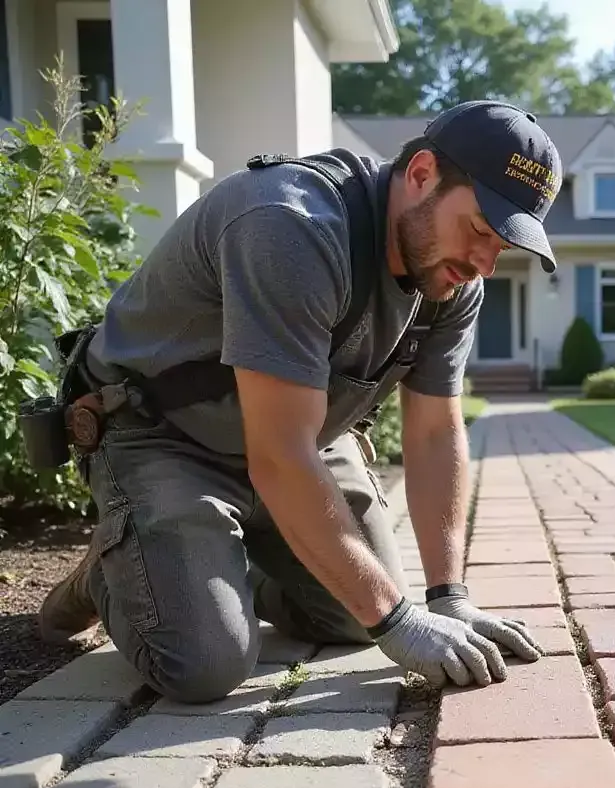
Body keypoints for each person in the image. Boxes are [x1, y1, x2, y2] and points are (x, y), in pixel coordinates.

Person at [36, 99, 564, 704]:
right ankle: (122, 568)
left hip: (296, 442)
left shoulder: (448, 278)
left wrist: (448, 598)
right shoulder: (291, 226)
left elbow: (435, 435)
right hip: (163, 435)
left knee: (350, 617)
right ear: (421, 175)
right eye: (478, 230)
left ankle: (195, 566)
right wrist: (399, 620)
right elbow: (281, 454)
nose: (482, 264)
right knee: (204, 664)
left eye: (503, 245)